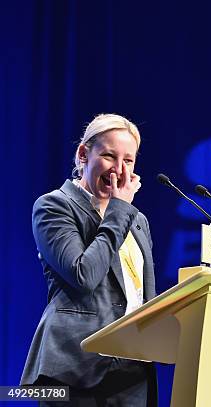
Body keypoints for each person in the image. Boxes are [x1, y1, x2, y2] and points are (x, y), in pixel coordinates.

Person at [21, 114, 157, 406]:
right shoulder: (55, 206)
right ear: (84, 154)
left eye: (129, 161)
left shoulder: (138, 221)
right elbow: (83, 276)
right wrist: (119, 210)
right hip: (73, 368)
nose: (119, 171)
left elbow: (143, 296)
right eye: (109, 156)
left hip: (132, 373)